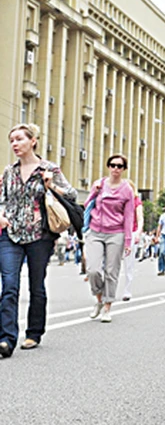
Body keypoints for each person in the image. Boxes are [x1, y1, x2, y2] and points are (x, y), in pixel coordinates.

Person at [0, 123, 77, 355]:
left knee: (36, 284)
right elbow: (2, 199)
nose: (15, 144)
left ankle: (34, 332)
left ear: (33, 141)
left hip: (39, 235)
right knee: (9, 286)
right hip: (10, 234)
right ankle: (6, 338)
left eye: (20, 139)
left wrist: (50, 184)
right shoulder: (9, 171)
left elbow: (72, 195)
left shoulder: (49, 168)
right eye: (12, 140)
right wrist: (1, 216)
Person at [86, 155, 136, 323]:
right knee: (92, 269)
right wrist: (94, 191)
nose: (116, 168)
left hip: (116, 233)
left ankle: (107, 307)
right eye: (113, 165)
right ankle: (99, 299)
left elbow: (129, 216)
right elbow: (87, 205)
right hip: (95, 231)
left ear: (123, 169)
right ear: (108, 167)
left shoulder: (127, 189)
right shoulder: (99, 184)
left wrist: (128, 241)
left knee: (111, 271)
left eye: (120, 166)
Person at [119, 183, 144, 301]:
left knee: (129, 264)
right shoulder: (119, 199)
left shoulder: (136, 201)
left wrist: (138, 233)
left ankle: (127, 291)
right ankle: (109, 290)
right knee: (112, 263)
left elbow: (140, 218)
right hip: (117, 232)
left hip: (132, 233)